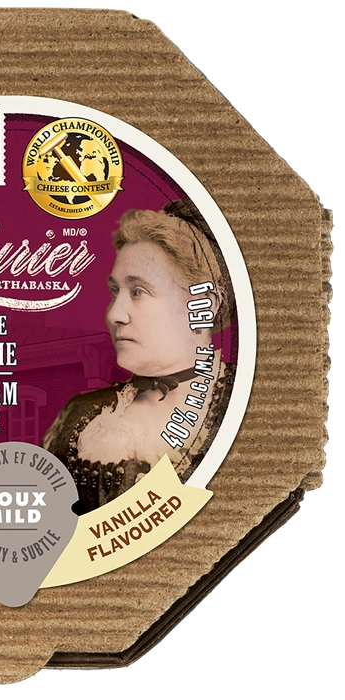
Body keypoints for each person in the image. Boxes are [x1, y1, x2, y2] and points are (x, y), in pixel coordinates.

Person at [42, 201, 235, 514]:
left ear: (202, 305)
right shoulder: (79, 416)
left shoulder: (246, 405)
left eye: (138, 292)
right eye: (115, 292)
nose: (115, 314)